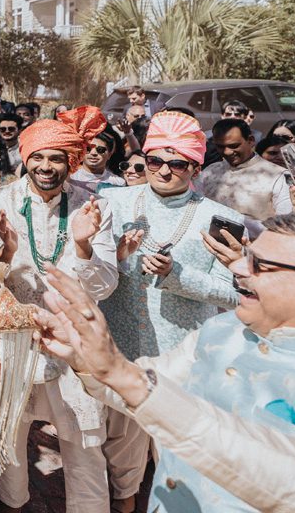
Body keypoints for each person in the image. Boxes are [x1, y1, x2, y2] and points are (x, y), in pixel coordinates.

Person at [34, 213, 295, 513]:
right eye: (248, 256)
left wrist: (125, 376)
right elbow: (149, 388)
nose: (239, 268)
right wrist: (86, 356)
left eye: (260, 265)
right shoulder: (223, 329)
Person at [93, 111, 241, 512]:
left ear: (194, 166)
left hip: (183, 358)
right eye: (154, 160)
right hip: (122, 348)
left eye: (176, 163)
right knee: (121, 450)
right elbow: (90, 262)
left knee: (175, 457)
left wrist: (178, 274)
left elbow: (233, 296)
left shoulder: (221, 219)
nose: (163, 170)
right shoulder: (111, 201)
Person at [0, 106, 118, 513]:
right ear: (24, 157)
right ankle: (11, 501)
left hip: (72, 337)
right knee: (10, 429)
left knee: (83, 438)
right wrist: (6, 252)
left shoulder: (94, 207)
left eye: (56, 158)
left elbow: (106, 285)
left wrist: (85, 245)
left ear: (71, 161)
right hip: (14, 335)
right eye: (37, 156)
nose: (46, 166)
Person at [197, 119, 292, 226]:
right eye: (220, 146)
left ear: (251, 140)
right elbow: (196, 207)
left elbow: (285, 223)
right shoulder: (210, 171)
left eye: (234, 146)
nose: (227, 152)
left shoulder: (279, 176)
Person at [69, 128, 126, 194]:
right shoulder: (70, 179)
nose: (93, 153)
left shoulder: (118, 183)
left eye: (100, 149)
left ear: (109, 155)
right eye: (88, 149)